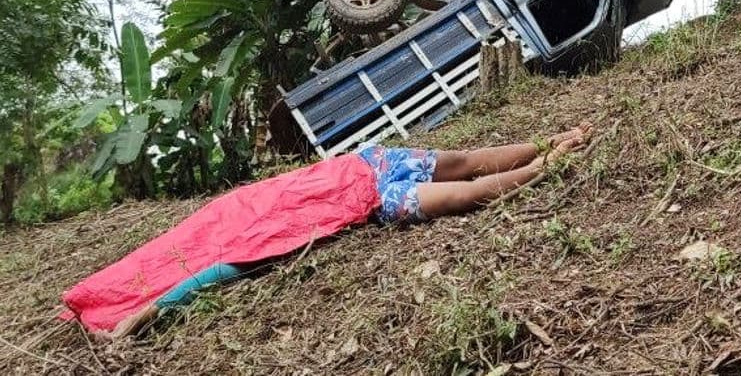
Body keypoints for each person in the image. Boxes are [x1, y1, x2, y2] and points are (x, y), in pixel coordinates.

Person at [65, 124, 594, 338]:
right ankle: (545, 165)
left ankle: (552, 142)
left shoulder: (233, 208)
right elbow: (209, 274)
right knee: (463, 194)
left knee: (462, 161)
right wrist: (155, 308)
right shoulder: (241, 248)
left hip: (371, 164)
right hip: (373, 202)